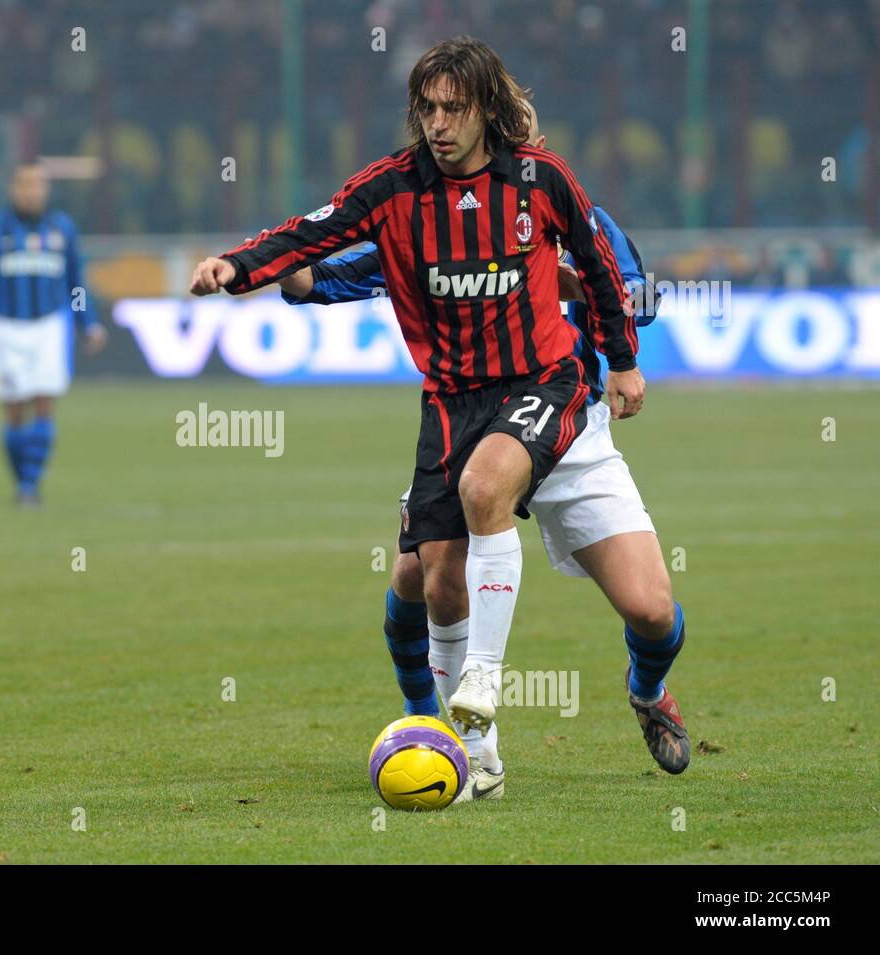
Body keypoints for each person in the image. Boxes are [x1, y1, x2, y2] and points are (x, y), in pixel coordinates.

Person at [191, 37, 687, 786]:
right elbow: (333, 263)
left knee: (651, 610)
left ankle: (646, 689)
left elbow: (630, 293)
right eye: (427, 110)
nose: (439, 125)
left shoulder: (553, 194)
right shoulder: (404, 198)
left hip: (564, 411)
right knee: (419, 576)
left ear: (493, 118)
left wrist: (601, 334)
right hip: (460, 412)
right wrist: (268, 274)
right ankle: (446, 732)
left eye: (454, 110)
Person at [0, 162, 107, 506]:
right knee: (14, 411)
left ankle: (30, 485)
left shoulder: (62, 229)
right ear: (13, 188)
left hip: (47, 327)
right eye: (25, 184)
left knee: (44, 401)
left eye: (38, 185)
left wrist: (88, 322)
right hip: (7, 327)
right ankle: (21, 481)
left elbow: (77, 281)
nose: (32, 191)